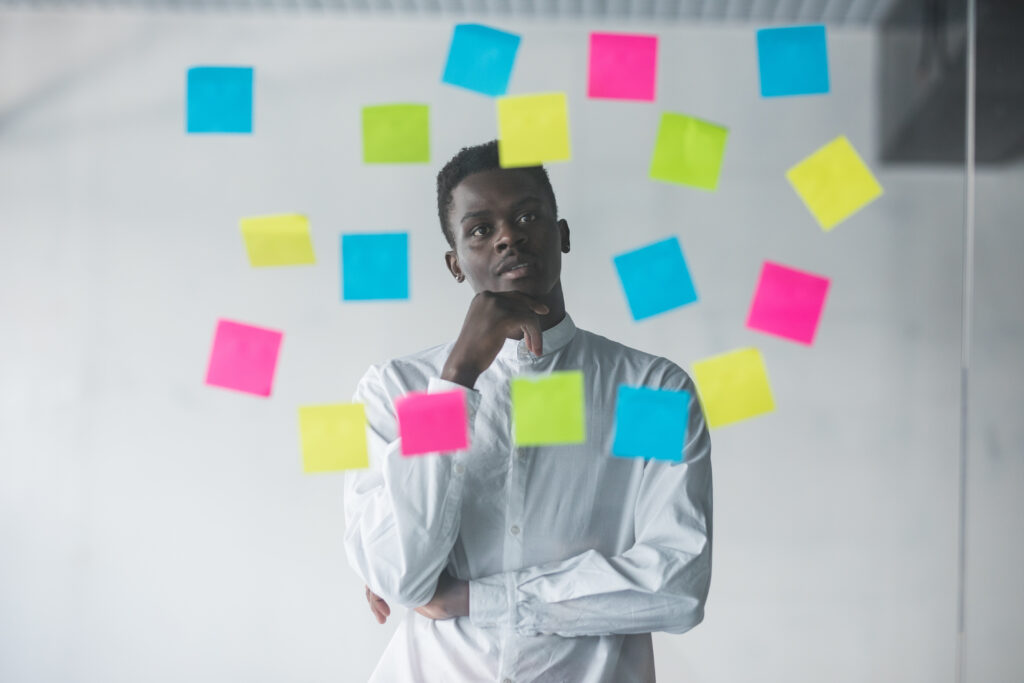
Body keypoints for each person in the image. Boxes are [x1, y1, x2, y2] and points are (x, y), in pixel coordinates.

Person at [344, 140, 713, 682]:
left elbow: (675, 585)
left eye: (526, 216)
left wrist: (476, 599)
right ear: (455, 263)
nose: (508, 237)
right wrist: (457, 378)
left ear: (562, 235)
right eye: (480, 229)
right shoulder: (394, 391)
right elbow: (402, 573)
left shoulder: (648, 391)